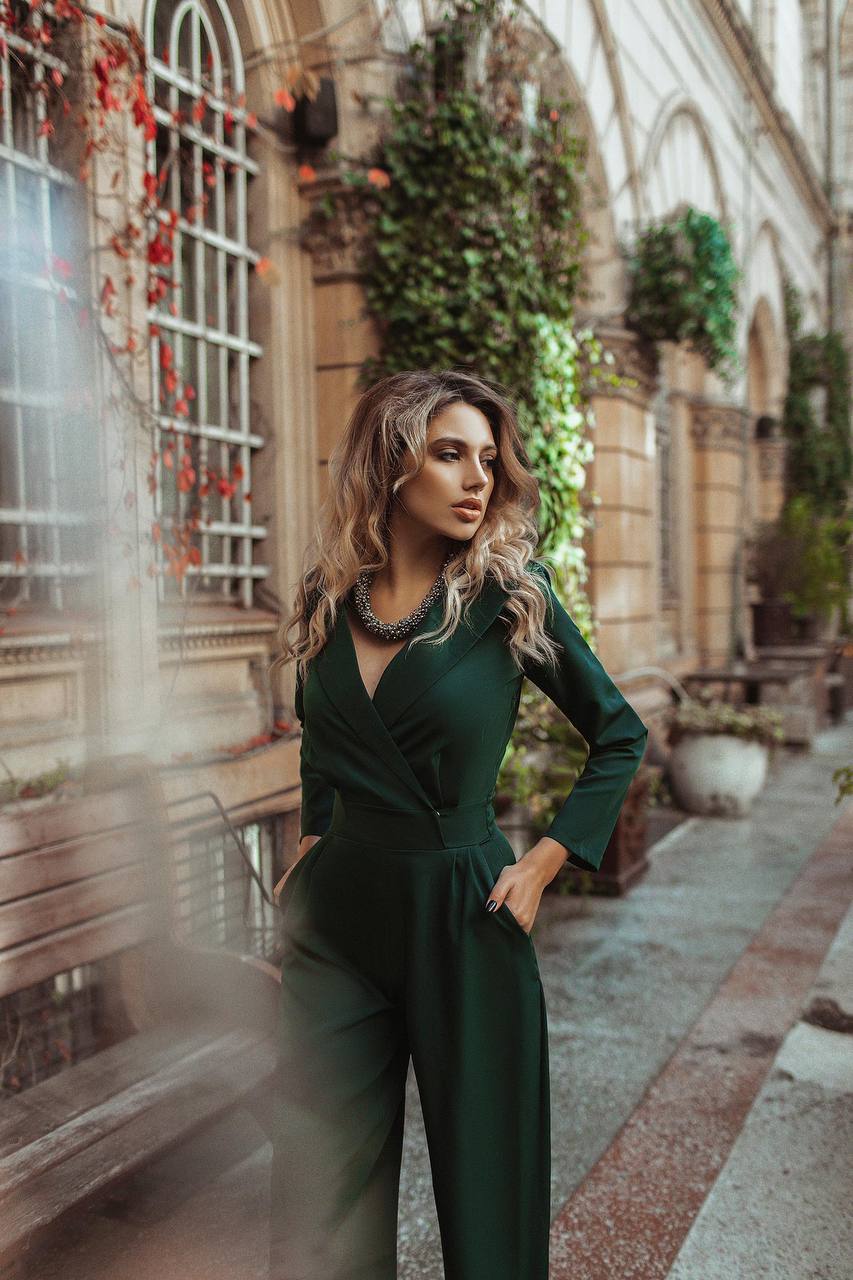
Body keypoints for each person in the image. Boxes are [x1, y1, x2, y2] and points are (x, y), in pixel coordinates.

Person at [268, 369, 648, 1280]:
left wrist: (545, 861)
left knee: (487, 1187)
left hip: (465, 910)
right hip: (337, 926)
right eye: (450, 454)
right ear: (390, 464)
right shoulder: (326, 601)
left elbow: (619, 734)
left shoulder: (509, 600)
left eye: (487, 458)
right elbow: (322, 749)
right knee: (319, 1188)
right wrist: (310, 847)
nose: (478, 478)